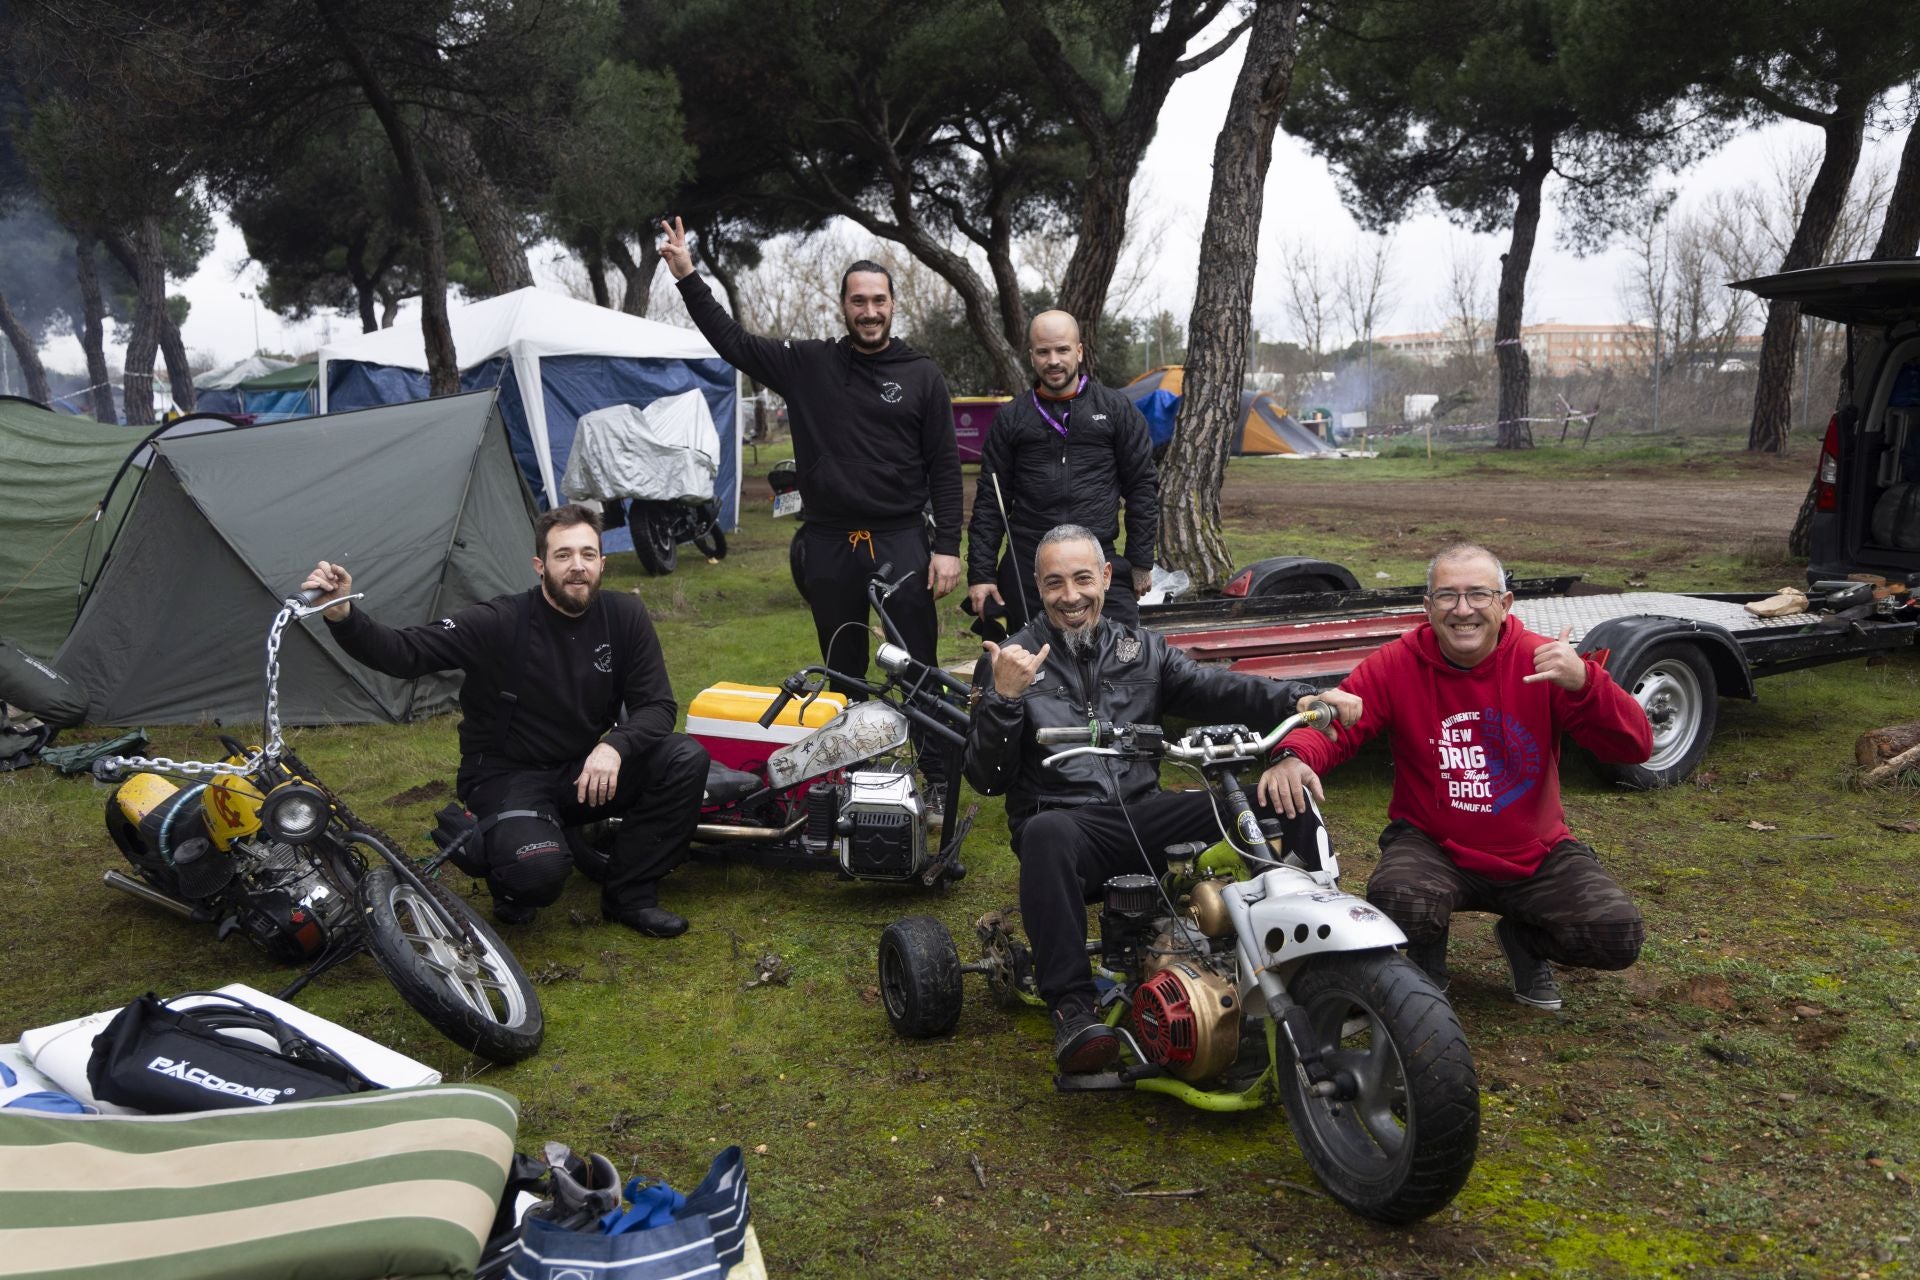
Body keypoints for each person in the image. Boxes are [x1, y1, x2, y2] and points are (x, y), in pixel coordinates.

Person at [964, 524, 1362, 1073]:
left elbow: (1220, 686)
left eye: (1083, 578)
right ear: (1037, 586)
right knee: (1045, 832)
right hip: (1067, 825)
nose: (1071, 595)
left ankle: (1325, 970)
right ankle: (1075, 1012)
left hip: (1145, 815)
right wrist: (1005, 699)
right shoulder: (1010, 660)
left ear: (1106, 578)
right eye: (1055, 583)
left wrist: (1302, 695)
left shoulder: (1141, 649)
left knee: (1273, 799)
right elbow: (986, 778)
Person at [1265, 543, 1653, 1011]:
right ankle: (1427, 957)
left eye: (1479, 595)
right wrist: (1293, 755)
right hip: (1434, 844)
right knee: (1398, 898)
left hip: (1536, 851)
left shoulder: (1545, 663)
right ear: (1427, 607)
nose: (1462, 609)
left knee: (1616, 934)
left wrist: (1588, 684)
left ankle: (1525, 942)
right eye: (1447, 596)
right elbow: (1341, 722)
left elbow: (1633, 746)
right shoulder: (1397, 662)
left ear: (1505, 604)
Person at [301, 504, 709, 938]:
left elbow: (658, 707)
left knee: (683, 758)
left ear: (602, 563)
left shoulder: (624, 616)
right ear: (540, 565)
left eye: (588, 555)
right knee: (537, 876)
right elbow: (405, 653)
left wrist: (614, 746)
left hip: (583, 769)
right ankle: (496, 858)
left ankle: (630, 895)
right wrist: (343, 616)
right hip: (507, 775)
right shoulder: (501, 620)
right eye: (563, 555)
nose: (577, 567)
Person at [657, 219, 963, 725]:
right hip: (830, 542)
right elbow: (733, 341)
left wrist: (948, 547)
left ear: (892, 304)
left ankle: (932, 780)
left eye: (878, 301)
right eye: (859, 301)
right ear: (843, 305)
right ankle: (850, 778)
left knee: (917, 667)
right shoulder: (807, 364)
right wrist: (688, 274)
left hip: (900, 537)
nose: (869, 312)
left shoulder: (921, 374)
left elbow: (946, 468)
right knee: (842, 673)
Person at [966, 310, 1159, 633]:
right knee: (1031, 670)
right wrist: (982, 575)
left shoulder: (1116, 410)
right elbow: (990, 502)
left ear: (1079, 351)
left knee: (1125, 659)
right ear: (1031, 356)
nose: (1053, 360)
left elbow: (1142, 487)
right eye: (1043, 352)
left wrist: (1140, 562)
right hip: (1028, 564)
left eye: (1062, 350)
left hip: (1097, 557)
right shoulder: (1011, 418)